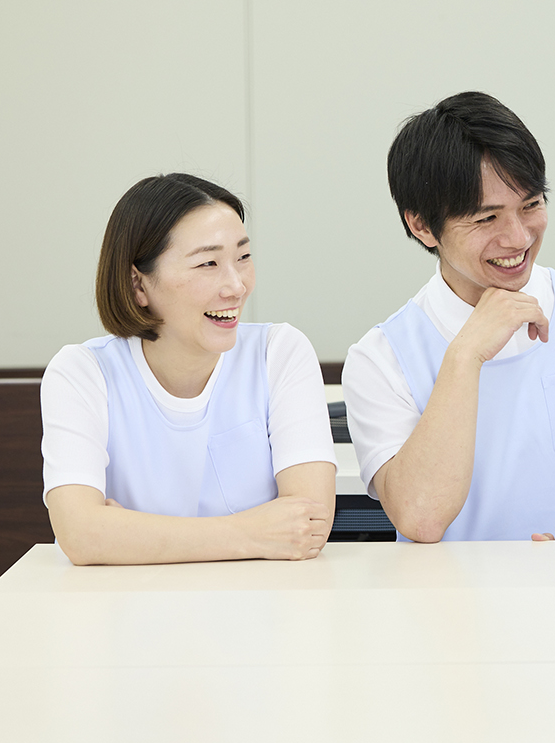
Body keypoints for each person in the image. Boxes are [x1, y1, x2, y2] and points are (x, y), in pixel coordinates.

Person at [342, 92, 555, 542]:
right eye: (486, 218)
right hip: (446, 590)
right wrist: (466, 354)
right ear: (422, 226)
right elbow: (420, 518)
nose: (518, 237)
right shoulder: (380, 358)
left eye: (531, 205)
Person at [42, 174, 336, 565]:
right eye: (207, 263)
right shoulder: (81, 373)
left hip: (260, 598)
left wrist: (128, 533)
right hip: (129, 600)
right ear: (138, 285)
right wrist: (254, 532)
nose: (236, 286)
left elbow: (309, 525)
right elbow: (81, 536)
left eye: (243, 257)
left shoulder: (279, 352)